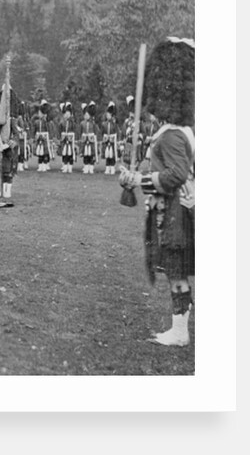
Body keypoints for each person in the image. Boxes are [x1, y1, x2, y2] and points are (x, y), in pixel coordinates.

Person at [119, 38, 195, 347]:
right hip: (173, 209)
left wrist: (140, 180)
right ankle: (179, 329)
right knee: (175, 272)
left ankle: (180, 332)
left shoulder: (173, 134)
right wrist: (136, 176)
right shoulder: (175, 131)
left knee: (176, 273)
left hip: (176, 211)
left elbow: (175, 175)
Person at [0, 90, 21, 198]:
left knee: (8, 170)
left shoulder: (11, 120)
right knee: (2, 170)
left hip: (9, 149)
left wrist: (10, 143)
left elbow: (16, 135)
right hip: (0, 149)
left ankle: (8, 190)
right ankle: (2, 190)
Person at [31, 99, 54, 172]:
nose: (39, 114)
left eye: (40, 113)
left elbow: (49, 130)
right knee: (39, 153)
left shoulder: (47, 122)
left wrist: (50, 139)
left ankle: (44, 165)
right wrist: (33, 137)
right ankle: (40, 165)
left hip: (45, 138)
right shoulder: (36, 122)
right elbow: (34, 130)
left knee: (45, 153)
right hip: (38, 138)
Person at [79, 101, 99, 174]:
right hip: (84, 141)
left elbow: (96, 131)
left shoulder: (93, 123)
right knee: (85, 154)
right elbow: (80, 132)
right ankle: (86, 166)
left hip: (91, 141)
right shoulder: (82, 123)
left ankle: (91, 167)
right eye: (85, 115)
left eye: (87, 115)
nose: (86, 116)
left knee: (91, 154)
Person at [57, 102, 77, 174]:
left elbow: (75, 130)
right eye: (65, 113)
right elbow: (59, 131)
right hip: (64, 141)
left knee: (70, 154)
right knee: (64, 154)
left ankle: (70, 167)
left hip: (71, 140)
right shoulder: (62, 123)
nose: (67, 115)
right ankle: (65, 166)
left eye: (68, 113)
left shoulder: (73, 123)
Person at [101, 101, 120, 175]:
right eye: (107, 115)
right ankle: (107, 168)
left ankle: (112, 168)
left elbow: (117, 132)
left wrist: (117, 140)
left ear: (111, 115)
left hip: (113, 141)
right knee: (107, 155)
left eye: (108, 115)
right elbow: (102, 132)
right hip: (106, 141)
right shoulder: (104, 124)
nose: (107, 116)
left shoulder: (114, 124)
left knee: (112, 155)